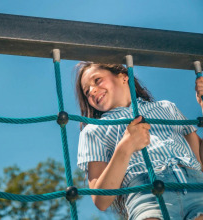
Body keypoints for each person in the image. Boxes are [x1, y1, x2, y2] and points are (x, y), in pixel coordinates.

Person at [75, 61, 203, 220]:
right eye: (87, 92)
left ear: (122, 77)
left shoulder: (166, 107)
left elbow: (200, 160)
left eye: (97, 80)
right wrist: (125, 147)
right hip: (146, 193)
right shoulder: (93, 130)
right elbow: (101, 199)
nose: (92, 91)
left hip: (196, 186)